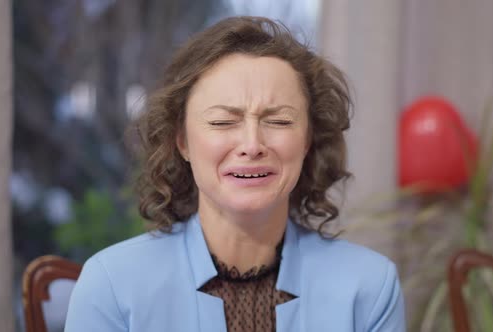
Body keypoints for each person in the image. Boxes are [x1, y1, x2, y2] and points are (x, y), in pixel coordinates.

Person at [65, 16, 405, 332]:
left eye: (279, 121)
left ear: (308, 140)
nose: (252, 144)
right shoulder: (112, 284)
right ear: (182, 141)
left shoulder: (370, 287)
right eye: (222, 122)